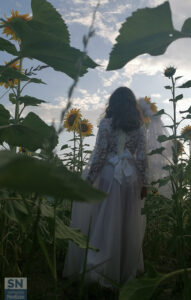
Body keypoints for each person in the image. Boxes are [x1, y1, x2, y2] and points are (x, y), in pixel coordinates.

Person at [62, 87, 148, 288]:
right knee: (128, 223)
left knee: (105, 221)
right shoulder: (138, 126)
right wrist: (144, 182)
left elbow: (99, 155)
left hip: (109, 175)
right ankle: (124, 269)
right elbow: (142, 157)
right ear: (131, 105)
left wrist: (89, 180)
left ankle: (100, 270)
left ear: (113, 104)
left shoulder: (106, 124)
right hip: (130, 177)